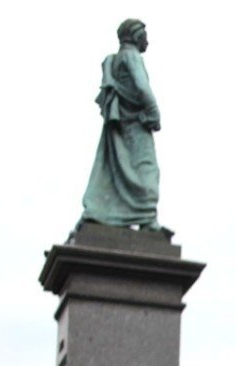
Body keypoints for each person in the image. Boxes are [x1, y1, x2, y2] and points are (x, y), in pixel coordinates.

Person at [81, 18, 162, 229]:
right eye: (145, 36)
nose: (148, 41)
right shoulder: (131, 57)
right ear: (136, 36)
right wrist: (154, 113)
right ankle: (147, 217)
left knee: (113, 172)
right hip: (136, 125)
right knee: (147, 170)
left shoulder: (114, 60)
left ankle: (107, 214)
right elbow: (142, 87)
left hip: (120, 126)